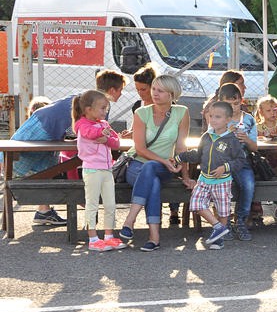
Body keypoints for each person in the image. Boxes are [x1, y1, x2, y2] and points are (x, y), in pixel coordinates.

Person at [5, 69, 126, 227]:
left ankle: (44, 211)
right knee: (21, 163)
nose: (121, 94)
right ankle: (41, 209)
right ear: (112, 90)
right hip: (45, 125)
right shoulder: (99, 104)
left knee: (46, 167)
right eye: (120, 90)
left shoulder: (91, 99)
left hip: (48, 125)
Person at [118, 74, 190, 252]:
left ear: (172, 94)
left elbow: (182, 147)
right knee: (153, 182)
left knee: (152, 170)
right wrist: (163, 160)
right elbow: (140, 149)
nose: (155, 93)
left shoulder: (182, 112)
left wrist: (186, 176)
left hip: (163, 167)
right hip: (137, 164)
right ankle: (154, 237)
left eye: (160, 90)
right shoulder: (141, 113)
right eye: (154, 89)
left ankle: (130, 220)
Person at [174, 100, 247, 249]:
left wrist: (225, 167)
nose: (213, 120)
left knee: (223, 210)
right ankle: (219, 227)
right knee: (196, 204)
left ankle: (218, 239)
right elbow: (197, 155)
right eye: (211, 116)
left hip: (222, 181)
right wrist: (180, 157)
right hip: (204, 180)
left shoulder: (232, 140)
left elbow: (240, 160)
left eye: (218, 117)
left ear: (228, 120)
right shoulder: (206, 137)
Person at [72, 90, 126, 252]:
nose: (105, 111)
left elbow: (116, 142)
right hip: (92, 170)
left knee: (110, 204)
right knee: (92, 204)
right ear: (88, 109)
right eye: (102, 108)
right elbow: (89, 133)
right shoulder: (82, 124)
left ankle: (108, 236)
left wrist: (107, 138)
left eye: (106, 108)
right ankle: (93, 238)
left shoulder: (104, 124)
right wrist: (102, 133)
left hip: (107, 170)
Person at [210, 83, 257, 240]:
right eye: (229, 104)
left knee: (249, 185)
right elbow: (210, 141)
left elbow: (255, 147)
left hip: (241, 161)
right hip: (222, 162)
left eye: (236, 104)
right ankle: (225, 221)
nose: (233, 108)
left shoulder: (248, 119)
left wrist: (246, 139)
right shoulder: (218, 118)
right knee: (222, 187)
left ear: (241, 101)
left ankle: (241, 220)